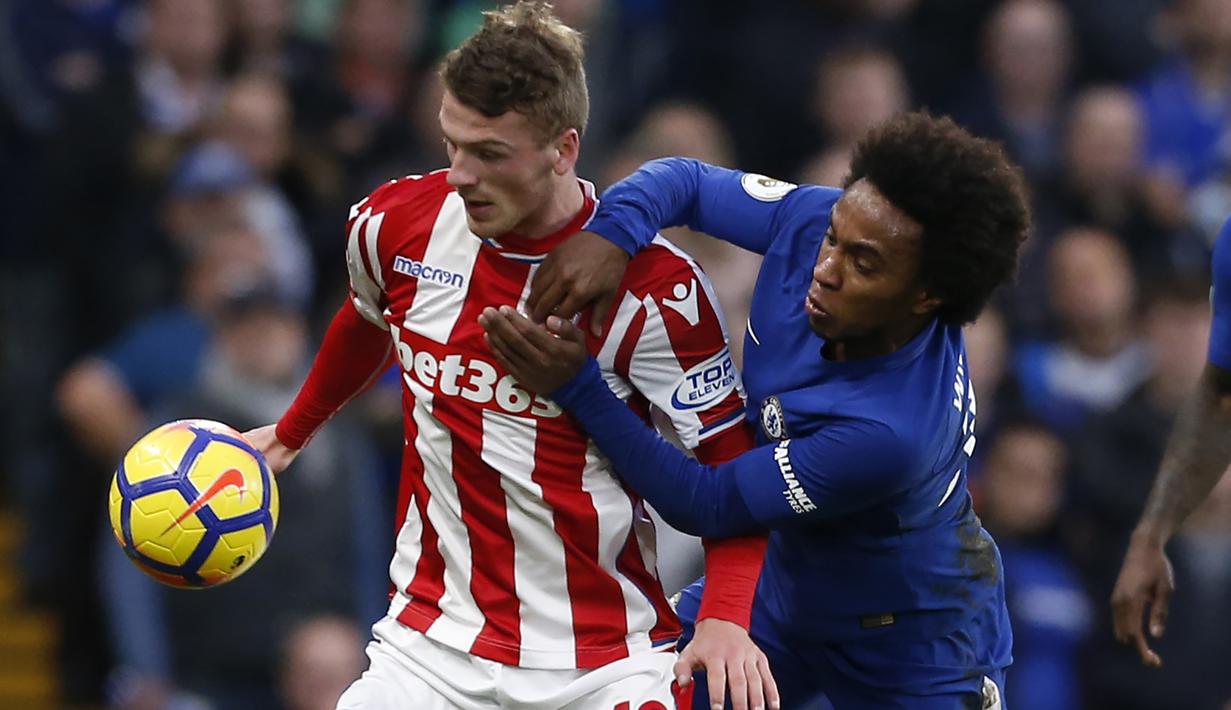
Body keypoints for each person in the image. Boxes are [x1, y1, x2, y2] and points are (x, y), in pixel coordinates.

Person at [243, 4, 776, 709]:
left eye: (489, 153)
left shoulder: (657, 290)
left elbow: (732, 467)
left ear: (563, 149)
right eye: (451, 143)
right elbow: (366, 317)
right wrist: (292, 431)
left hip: (604, 661)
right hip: (427, 648)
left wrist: (724, 619)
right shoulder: (394, 225)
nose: (460, 174)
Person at [480, 111, 1032, 708]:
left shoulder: (890, 432)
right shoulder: (820, 221)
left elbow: (709, 501)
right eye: (833, 239)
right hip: (783, 595)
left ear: (928, 296)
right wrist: (614, 233)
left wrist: (581, 388)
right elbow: (684, 181)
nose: (824, 268)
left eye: (863, 264)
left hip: (913, 646)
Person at [1111, 215, 1231, 669]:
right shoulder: (1109, 433)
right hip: (1145, 659)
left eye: (1197, 320)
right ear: (1145, 329)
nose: (1184, 337)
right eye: (1171, 321)